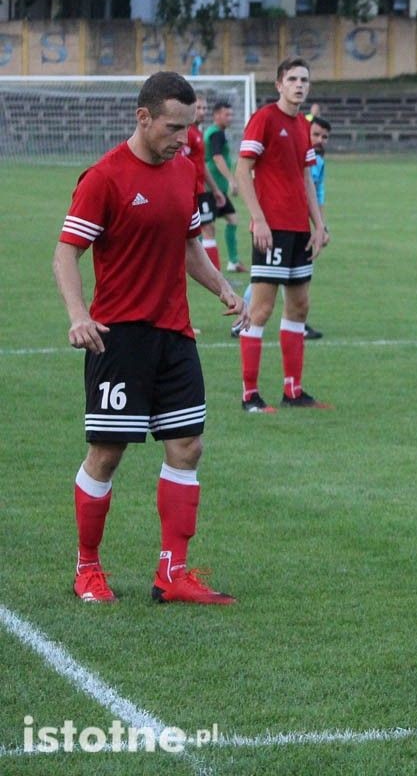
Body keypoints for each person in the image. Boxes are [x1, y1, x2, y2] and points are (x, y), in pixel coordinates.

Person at [52, 71, 246, 605]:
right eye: (173, 126)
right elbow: (66, 251)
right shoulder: (105, 177)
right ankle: (87, 568)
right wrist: (77, 314)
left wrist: (223, 288)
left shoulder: (185, 172)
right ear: (143, 118)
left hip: (175, 334)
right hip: (118, 338)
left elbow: (188, 246)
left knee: (187, 446)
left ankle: (173, 573)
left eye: (188, 127)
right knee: (107, 453)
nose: (183, 138)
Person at [235, 57, 329, 413]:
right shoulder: (264, 119)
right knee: (260, 309)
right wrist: (258, 219)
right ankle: (250, 396)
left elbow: (305, 178)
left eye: (304, 79)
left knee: (300, 307)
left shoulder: (303, 127)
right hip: (271, 231)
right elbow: (243, 171)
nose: (299, 85)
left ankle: (293, 391)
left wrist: (319, 224)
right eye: (292, 79)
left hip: (298, 231)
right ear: (279, 84)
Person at [184, 93, 226, 270]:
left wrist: (215, 189)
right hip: (191, 191)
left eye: (204, 108)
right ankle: (215, 274)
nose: (202, 112)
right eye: (198, 108)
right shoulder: (187, 133)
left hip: (200, 189)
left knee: (200, 231)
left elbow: (201, 165)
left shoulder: (198, 132)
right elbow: (180, 162)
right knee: (207, 230)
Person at [204, 100, 246, 273]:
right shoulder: (216, 134)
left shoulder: (215, 132)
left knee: (231, 219)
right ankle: (206, 265)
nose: (230, 118)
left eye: (231, 114)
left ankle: (233, 261)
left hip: (216, 189)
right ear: (216, 115)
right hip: (211, 188)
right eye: (226, 114)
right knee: (206, 228)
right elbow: (217, 157)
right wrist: (232, 180)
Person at [300, 116, 332, 341]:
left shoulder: (319, 161)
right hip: (284, 222)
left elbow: (318, 195)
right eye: (316, 135)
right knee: (271, 279)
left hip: (302, 224)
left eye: (325, 137)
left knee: (281, 278)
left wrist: (322, 227)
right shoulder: (298, 156)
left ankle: (299, 323)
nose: (320, 140)